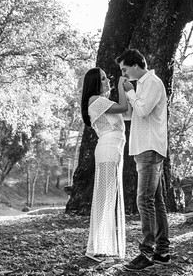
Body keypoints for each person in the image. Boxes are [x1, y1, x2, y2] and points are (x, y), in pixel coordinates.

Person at [116, 49, 170, 271]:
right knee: (156, 201)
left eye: (124, 68)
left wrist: (129, 92)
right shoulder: (140, 86)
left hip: (150, 148)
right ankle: (162, 251)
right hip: (142, 148)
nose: (123, 73)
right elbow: (133, 114)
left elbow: (145, 110)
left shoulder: (153, 83)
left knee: (144, 200)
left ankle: (146, 253)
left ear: (136, 64)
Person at [81, 67, 129, 261]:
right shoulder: (95, 101)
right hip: (108, 149)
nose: (106, 80)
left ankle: (103, 245)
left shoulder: (105, 103)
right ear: (94, 83)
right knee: (104, 199)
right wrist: (121, 87)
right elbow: (124, 107)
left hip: (114, 150)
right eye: (102, 79)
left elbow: (129, 113)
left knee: (109, 198)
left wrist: (126, 91)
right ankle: (96, 246)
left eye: (106, 78)